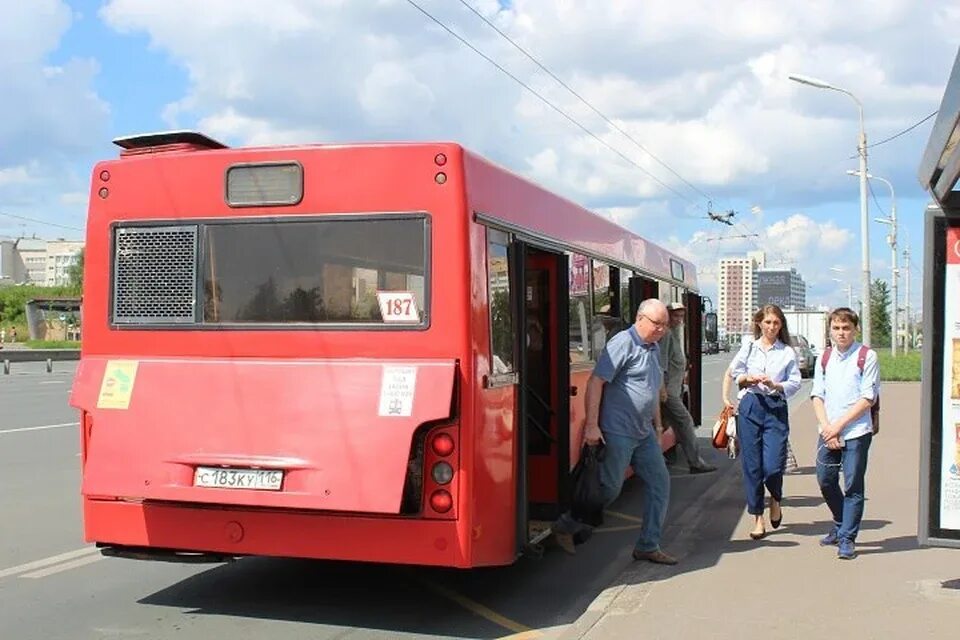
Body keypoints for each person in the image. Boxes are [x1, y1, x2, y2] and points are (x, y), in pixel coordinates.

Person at [579, 298, 677, 564]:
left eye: (665, 325)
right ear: (640, 318)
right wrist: (591, 425)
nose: (662, 330)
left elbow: (653, 391)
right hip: (618, 430)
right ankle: (571, 522)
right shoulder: (623, 342)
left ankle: (648, 545)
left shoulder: (653, 347)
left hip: (643, 433)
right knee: (609, 488)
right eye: (657, 324)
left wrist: (658, 427)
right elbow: (596, 382)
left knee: (660, 483)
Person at [726, 305, 801, 540]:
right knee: (753, 466)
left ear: (781, 326)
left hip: (775, 407)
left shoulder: (787, 352)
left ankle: (775, 498)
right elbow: (734, 372)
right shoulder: (749, 347)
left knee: (773, 466)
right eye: (767, 322)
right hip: (751, 405)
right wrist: (746, 379)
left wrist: (776, 385)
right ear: (759, 323)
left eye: (776, 323)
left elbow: (795, 382)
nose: (771, 327)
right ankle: (757, 517)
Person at [810, 307, 879, 560]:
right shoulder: (824, 358)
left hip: (857, 431)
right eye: (837, 328)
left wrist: (838, 427)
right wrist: (828, 427)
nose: (841, 333)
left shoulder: (866, 356)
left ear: (855, 329)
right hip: (828, 430)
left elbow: (867, 398)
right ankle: (840, 521)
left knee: (853, 484)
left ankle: (847, 538)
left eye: (846, 328)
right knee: (825, 480)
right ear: (830, 330)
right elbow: (817, 395)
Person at [659, 301, 717, 474]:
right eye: (675, 315)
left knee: (659, 425)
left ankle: (654, 458)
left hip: (673, 390)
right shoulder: (666, 335)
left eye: (681, 315)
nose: (679, 319)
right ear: (666, 315)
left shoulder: (674, 333)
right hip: (668, 392)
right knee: (685, 422)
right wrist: (662, 389)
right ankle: (695, 462)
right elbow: (660, 363)